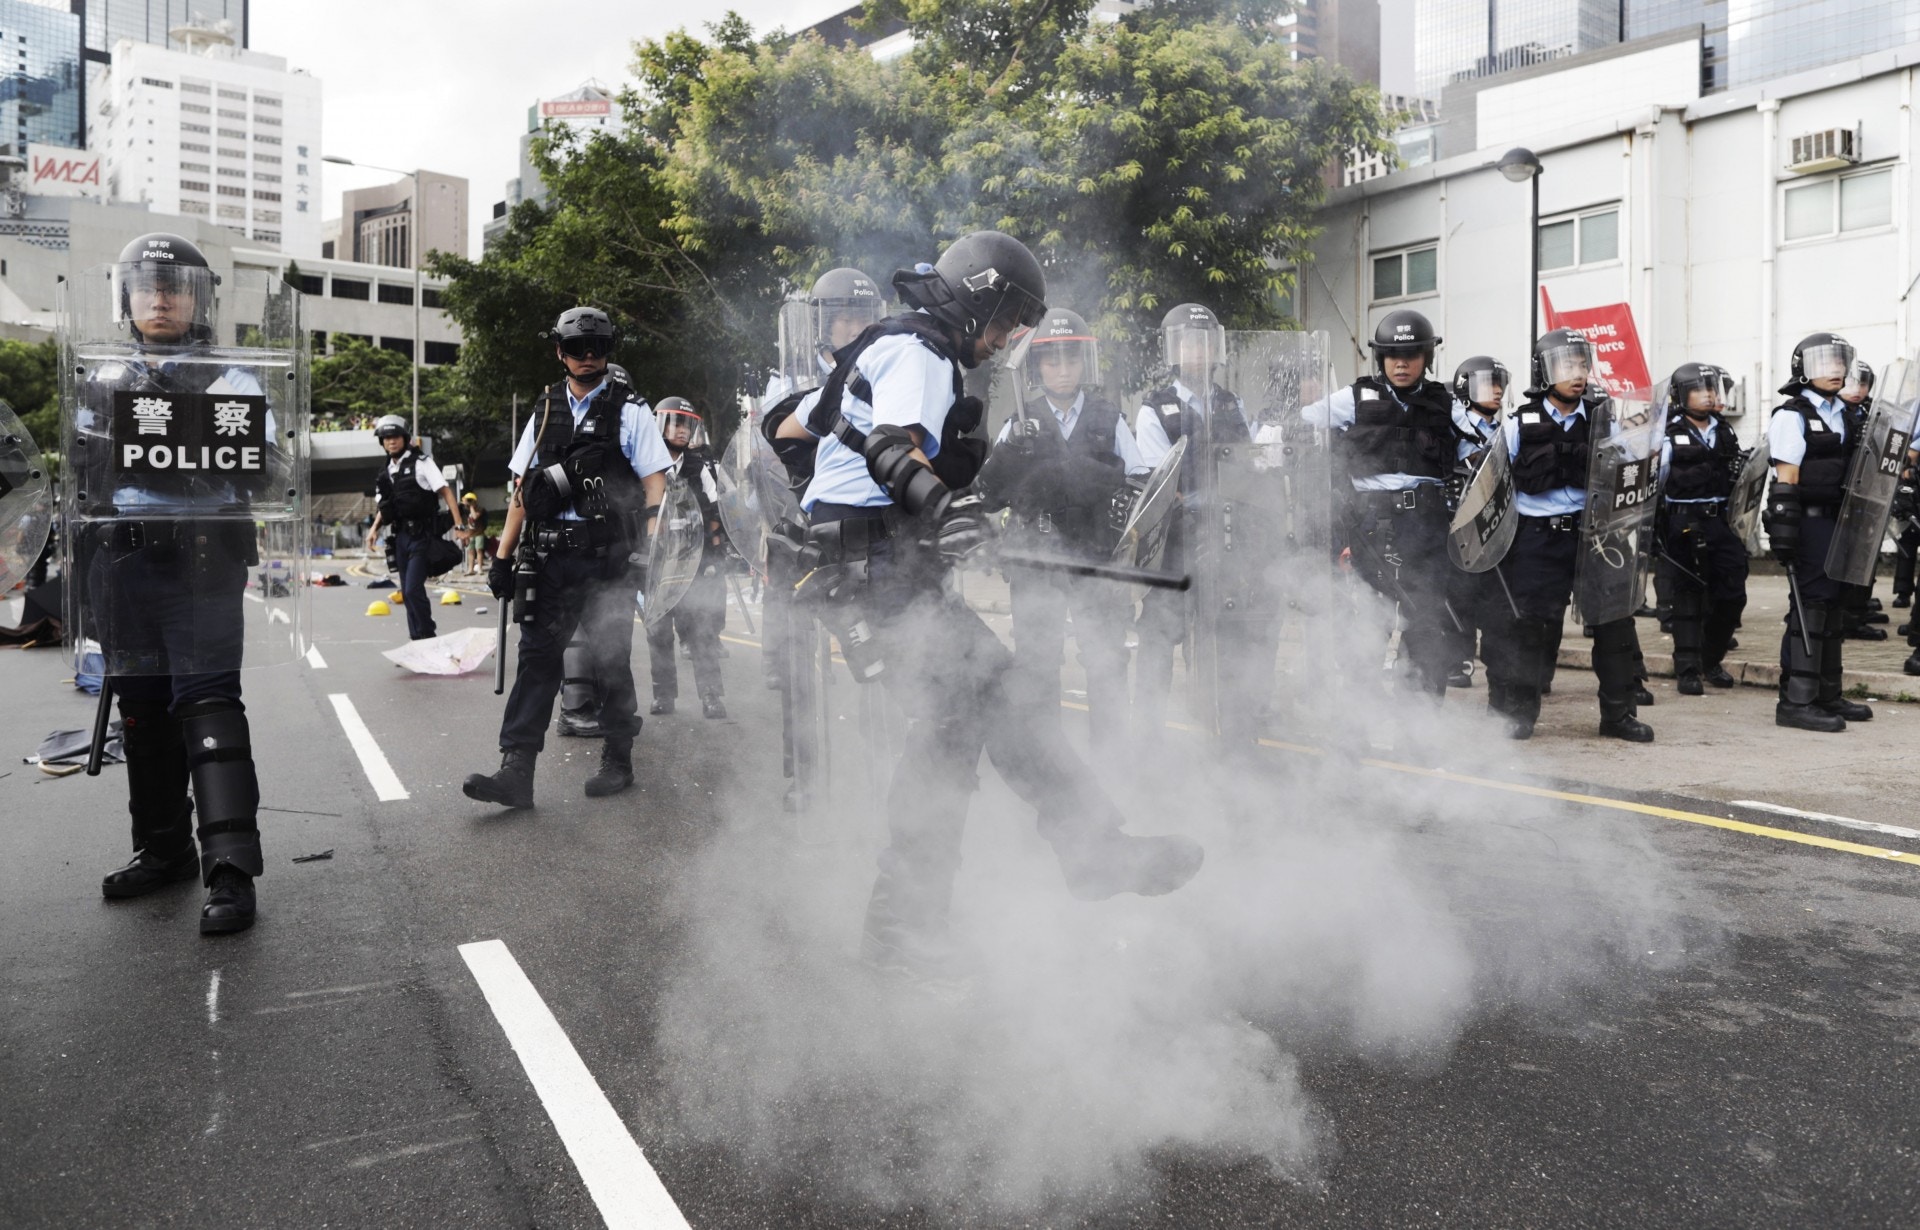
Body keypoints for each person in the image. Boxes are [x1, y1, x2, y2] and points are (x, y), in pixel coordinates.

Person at [770, 231, 1203, 980]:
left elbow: (784, 427)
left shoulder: (877, 348)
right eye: (1007, 324)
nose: (1006, 343)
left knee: (983, 712)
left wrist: (874, 500)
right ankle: (908, 928)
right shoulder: (921, 352)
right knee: (947, 736)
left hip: (879, 563)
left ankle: (1077, 854)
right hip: (880, 572)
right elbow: (886, 449)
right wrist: (938, 503)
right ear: (982, 302)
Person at [72, 232, 289, 933]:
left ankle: (230, 869)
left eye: (174, 287)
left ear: (200, 299)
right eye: (146, 285)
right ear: (125, 297)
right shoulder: (99, 379)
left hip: (202, 563)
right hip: (124, 566)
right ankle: (163, 851)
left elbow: (276, 472)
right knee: (141, 714)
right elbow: (80, 479)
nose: (159, 298)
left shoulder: (233, 379)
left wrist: (210, 443)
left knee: (209, 709)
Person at [463, 307, 672, 806]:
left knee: (611, 661)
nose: (589, 356)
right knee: (536, 660)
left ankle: (618, 759)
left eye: (598, 348)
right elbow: (522, 490)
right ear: (560, 352)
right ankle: (516, 772)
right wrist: (502, 556)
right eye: (578, 348)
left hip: (608, 560)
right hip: (549, 558)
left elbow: (654, 485)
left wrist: (649, 551)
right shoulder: (544, 409)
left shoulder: (631, 409)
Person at [975, 307, 1147, 752]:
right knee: (1037, 663)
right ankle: (1047, 763)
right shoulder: (1021, 421)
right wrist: (1011, 448)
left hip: (1095, 555)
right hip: (1037, 557)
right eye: (1052, 361)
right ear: (1037, 366)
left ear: (1084, 364)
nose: (1063, 370)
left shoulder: (1110, 418)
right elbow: (989, 494)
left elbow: (1143, 481)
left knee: (1106, 658)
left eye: (1071, 360)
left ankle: (1111, 760)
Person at [1483, 329, 1655, 742]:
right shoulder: (1517, 423)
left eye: (1582, 364)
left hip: (1595, 535)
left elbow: (1637, 471)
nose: (1577, 374)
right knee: (1529, 627)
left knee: (1615, 624)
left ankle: (1618, 715)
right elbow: (1490, 484)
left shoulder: (1605, 419)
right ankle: (1519, 714)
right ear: (1544, 371)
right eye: (1565, 365)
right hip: (1536, 539)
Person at [1302, 310, 1464, 697]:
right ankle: (1359, 726)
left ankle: (1420, 728)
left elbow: (1483, 451)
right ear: (1381, 359)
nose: (1401, 363)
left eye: (1411, 355)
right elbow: (1304, 421)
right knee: (1366, 629)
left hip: (1426, 528)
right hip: (1369, 526)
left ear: (1427, 358)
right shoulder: (1354, 398)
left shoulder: (1446, 404)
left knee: (1425, 626)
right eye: (1392, 355)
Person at [1131, 302, 1257, 742]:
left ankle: (1226, 740)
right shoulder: (1155, 409)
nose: (1198, 351)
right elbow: (1159, 485)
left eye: (1205, 341)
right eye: (1188, 342)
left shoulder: (1231, 403)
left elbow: (1247, 467)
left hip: (1226, 541)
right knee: (1158, 639)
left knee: (1226, 640)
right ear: (1173, 350)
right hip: (1177, 546)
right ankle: (1147, 740)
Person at [1763, 333, 1874, 731]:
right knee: (1809, 606)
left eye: (1840, 361)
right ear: (1803, 368)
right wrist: (1785, 535)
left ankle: (1828, 694)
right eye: (1825, 361)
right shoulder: (1791, 415)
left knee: (1833, 603)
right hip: (1808, 521)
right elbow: (1786, 480)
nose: (1836, 369)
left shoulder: (1844, 412)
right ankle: (1796, 701)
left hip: (1838, 521)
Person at [1657, 363, 1749, 696]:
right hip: (1684, 520)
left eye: (1712, 387)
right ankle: (1688, 668)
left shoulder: (1724, 430)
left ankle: (1711, 658)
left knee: (1732, 593)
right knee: (1687, 596)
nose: (1709, 394)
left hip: (1721, 521)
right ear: (1681, 395)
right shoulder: (1667, 433)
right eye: (1699, 388)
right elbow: (1654, 481)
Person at [646, 397, 729, 719]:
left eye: (687, 424)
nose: (682, 430)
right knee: (658, 631)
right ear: (661, 423)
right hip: (659, 562)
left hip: (695, 560)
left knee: (703, 630)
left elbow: (718, 508)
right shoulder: (644, 465)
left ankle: (711, 696)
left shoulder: (701, 465)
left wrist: (709, 550)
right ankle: (663, 695)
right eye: (676, 422)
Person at [365, 415, 469, 639]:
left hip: (422, 535)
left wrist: (459, 524)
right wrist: (374, 530)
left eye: (395, 437)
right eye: (386, 438)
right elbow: (384, 507)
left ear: (404, 438)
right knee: (407, 592)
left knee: (413, 589)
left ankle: (427, 637)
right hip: (400, 537)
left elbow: (446, 491)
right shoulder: (385, 473)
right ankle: (417, 640)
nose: (391, 441)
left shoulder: (422, 462)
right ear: (382, 442)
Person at [1443, 354, 1511, 689]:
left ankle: (1503, 666)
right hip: (1458, 524)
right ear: (1466, 388)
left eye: (1500, 383)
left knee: (1494, 599)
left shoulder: (1506, 429)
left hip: (1494, 525)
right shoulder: (1454, 424)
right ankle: (1458, 661)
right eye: (1488, 384)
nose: (1497, 391)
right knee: (1459, 596)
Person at [464, 492, 490, 574]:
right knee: (470, 551)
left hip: (479, 533)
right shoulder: (467, 510)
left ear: (475, 501)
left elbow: (475, 517)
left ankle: (480, 569)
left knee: (479, 550)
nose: (469, 502)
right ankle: (470, 569)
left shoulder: (480, 509)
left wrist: (471, 506)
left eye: (470, 500)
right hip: (470, 534)